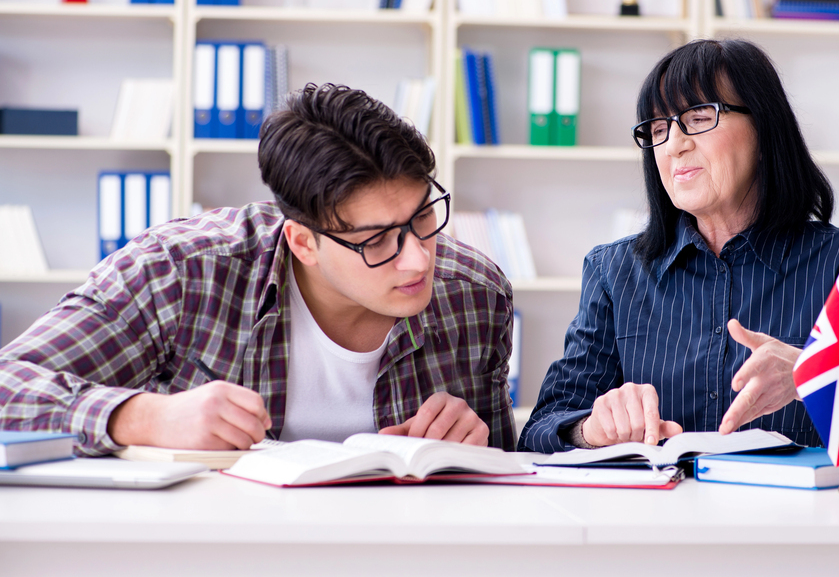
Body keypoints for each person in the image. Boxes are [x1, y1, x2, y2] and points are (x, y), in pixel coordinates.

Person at [0, 83, 516, 455]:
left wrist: (474, 448)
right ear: (302, 243)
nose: (419, 257)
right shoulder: (180, 272)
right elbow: (8, 386)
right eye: (377, 240)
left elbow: (508, 485)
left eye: (423, 216)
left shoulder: (476, 293)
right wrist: (142, 416)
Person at [519, 38, 839, 454]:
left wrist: (813, 375)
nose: (673, 145)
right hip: (657, 517)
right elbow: (538, 432)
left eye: (697, 117)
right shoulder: (614, 271)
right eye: (658, 129)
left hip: (798, 518)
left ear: (764, 130)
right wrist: (591, 429)